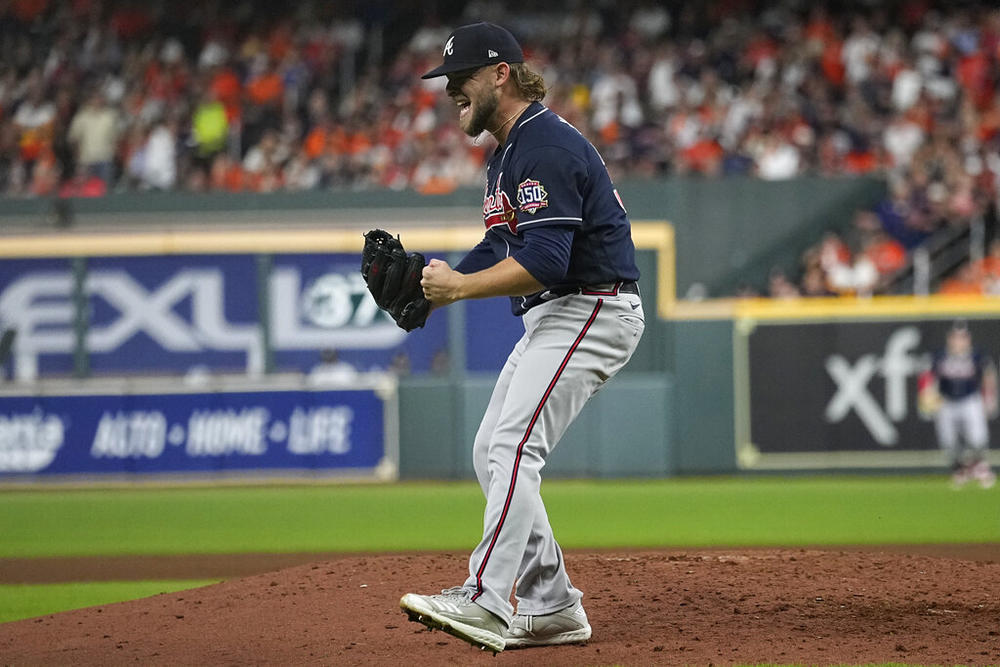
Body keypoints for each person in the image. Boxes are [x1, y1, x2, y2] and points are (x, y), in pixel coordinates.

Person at [398, 22, 645, 655]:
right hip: (558, 313)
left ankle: (486, 598)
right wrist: (432, 280)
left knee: (511, 445)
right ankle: (555, 605)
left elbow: (548, 260)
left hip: (590, 305)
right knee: (491, 449)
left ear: (500, 73)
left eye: (461, 78)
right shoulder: (507, 153)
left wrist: (459, 288)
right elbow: (499, 248)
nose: (451, 90)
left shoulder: (545, 146)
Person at [922, 321, 997, 488]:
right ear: (949, 338)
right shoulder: (940, 356)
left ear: (968, 339)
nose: (958, 341)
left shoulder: (977, 355)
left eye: (962, 337)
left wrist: (989, 398)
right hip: (947, 401)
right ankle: (960, 469)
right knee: (948, 442)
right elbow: (928, 377)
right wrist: (927, 394)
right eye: (955, 337)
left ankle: (979, 466)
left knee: (978, 438)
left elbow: (988, 375)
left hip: (970, 399)